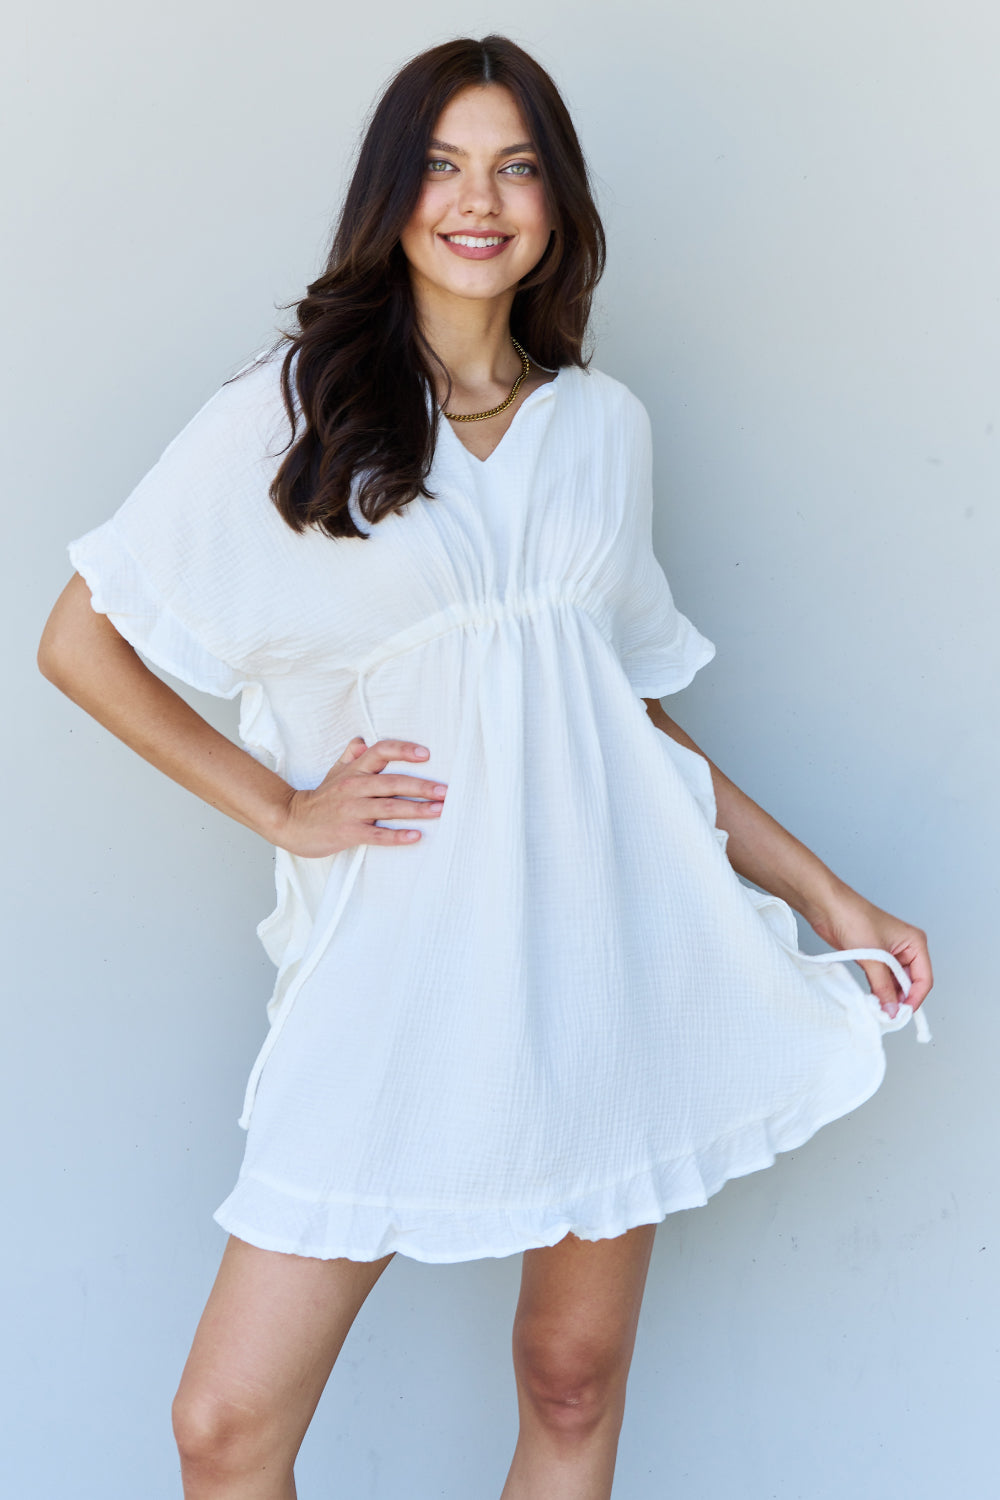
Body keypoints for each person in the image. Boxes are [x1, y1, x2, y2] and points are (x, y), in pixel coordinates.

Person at [38, 33, 932, 1500]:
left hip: (601, 942)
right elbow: (80, 640)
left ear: (556, 204)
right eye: (444, 164)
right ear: (393, 196)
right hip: (398, 961)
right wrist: (280, 805)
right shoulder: (298, 407)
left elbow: (620, 719)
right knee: (224, 1425)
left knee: (569, 1381)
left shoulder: (604, 430)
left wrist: (831, 899)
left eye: (516, 166)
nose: (480, 198)